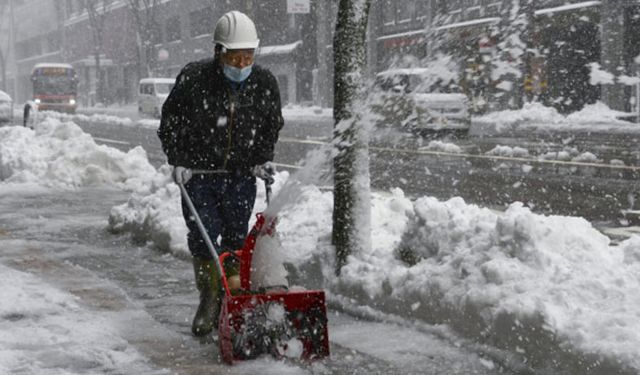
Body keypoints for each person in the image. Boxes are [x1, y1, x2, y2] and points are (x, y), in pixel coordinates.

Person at [157, 10, 284, 337]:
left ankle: (235, 296)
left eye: (248, 56)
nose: (242, 64)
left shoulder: (264, 82)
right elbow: (170, 123)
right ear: (218, 52)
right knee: (203, 236)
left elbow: (271, 125)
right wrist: (179, 159)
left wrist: (262, 158)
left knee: (236, 237)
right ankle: (210, 297)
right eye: (234, 56)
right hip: (198, 176)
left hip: (239, 175)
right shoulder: (194, 79)